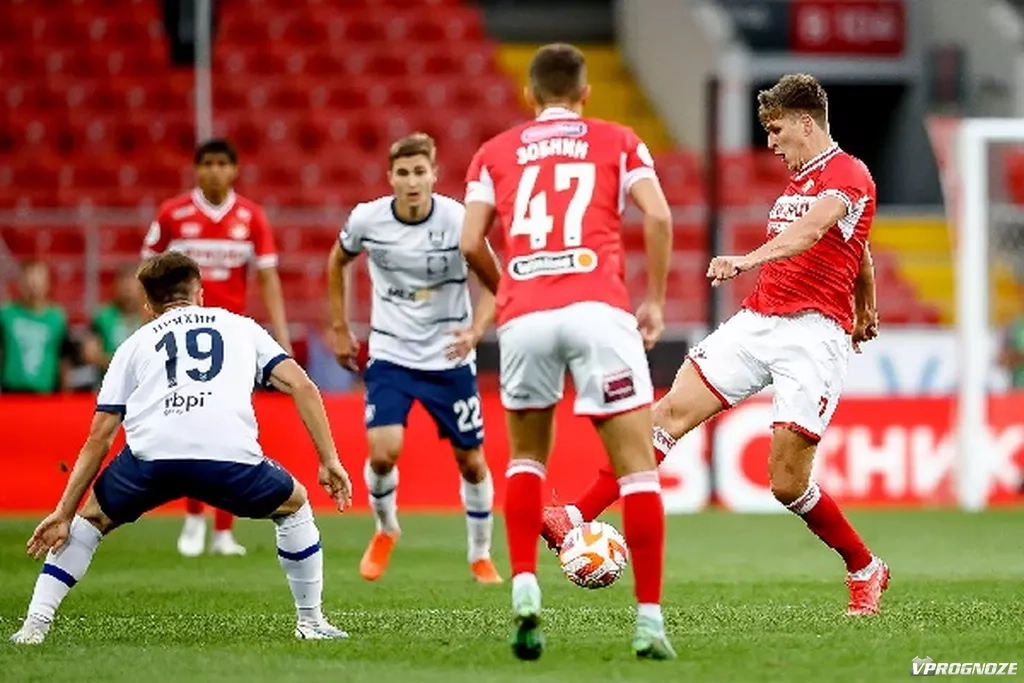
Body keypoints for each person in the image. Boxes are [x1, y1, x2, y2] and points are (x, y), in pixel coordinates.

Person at [541, 73, 889, 617]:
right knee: (666, 414)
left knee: (787, 483)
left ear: (806, 123)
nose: (771, 143)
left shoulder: (848, 173)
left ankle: (865, 568)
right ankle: (575, 516)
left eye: (776, 130)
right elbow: (856, 243)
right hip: (758, 321)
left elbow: (814, 231)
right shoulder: (800, 183)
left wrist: (747, 260)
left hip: (813, 335)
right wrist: (867, 302)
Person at [9, 252, 352, 645]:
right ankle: (311, 622)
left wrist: (63, 512)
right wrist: (329, 460)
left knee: (88, 522)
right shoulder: (241, 327)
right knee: (294, 505)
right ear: (200, 293)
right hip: (228, 456)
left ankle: (34, 626)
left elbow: (99, 437)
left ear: (148, 306)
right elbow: (303, 385)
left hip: (153, 458)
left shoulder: (134, 344)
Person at [460, 44, 676, 660]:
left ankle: (525, 588)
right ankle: (649, 622)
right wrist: (655, 301)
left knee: (527, 459)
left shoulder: (494, 151)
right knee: (637, 467)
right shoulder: (618, 140)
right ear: (586, 94)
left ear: (530, 95)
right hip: (599, 309)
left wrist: (509, 291)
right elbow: (659, 217)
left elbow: (470, 240)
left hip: (526, 315)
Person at [327, 133, 503, 585]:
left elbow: (496, 283)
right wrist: (340, 326)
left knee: (472, 461)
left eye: (419, 172)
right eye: (403, 173)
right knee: (383, 454)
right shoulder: (367, 219)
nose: (411, 181)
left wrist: (476, 332)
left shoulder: (458, 220)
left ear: (433, 175)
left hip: (449, 358)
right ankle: (386, 528)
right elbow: (337, 260)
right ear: (390, 177)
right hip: (391, 353)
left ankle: (480, 554)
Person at [143, 138, 293, 557]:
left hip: (231, 338)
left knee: (231, 429)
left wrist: (281, 336)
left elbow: (268, 277)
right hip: (181, 334)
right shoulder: (173, 214)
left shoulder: (251, 216)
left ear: (234, 169)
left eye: (221, 164)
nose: (214, 171)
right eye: (206, 163)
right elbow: (147, 273)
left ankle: (225, 531)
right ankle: (194, 518)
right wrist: (150, 329)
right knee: (189, 425)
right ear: (197, 169)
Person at [0, 259, 74, 394]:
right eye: (29, 281)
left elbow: (64, 359)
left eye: (37, 281)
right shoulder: (6, 315)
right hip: (11, 393)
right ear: (20, 283)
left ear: (47, 284)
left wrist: (66, 393)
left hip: (45, 393)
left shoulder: (57, 318)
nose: (33, 287)